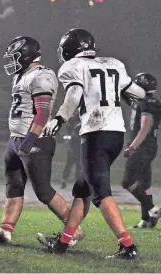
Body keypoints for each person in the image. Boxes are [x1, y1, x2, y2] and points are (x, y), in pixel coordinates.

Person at [37, 28, 146, 259]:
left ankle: (127, 246)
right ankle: (63, 244)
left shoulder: (72, 67)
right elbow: (136, 93)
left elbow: (74, 94)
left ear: (69, 49)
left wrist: (59, 118)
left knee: (100, 194)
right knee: (82, 189)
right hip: (116, 134)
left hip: (95, 133)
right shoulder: (114, 63)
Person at [0, 36, 84, 246]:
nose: (12, 61)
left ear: (26, 55)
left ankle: (74, 229)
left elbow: (42, 113)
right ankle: (4, 233)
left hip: (35, 141)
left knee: (43, 191)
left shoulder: (42, 75)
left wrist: (29, 141)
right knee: (14, 186)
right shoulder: (22, 75)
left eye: (15, 56)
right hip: (16, 140)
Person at [121, 72, 161, 228]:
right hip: (150, 146)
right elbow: (128, 98)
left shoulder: (147, 104)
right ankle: (147, 220)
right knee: (144, 184)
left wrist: (132, 147)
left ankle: (152, 210)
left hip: (142, 147)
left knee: (127, 182)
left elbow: (144, 128)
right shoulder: (150, 102)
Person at [59, 112, 81, 189]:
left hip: (78, 146)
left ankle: (74, 182)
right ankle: (64, 180)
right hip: (74, 146)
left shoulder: (79, 120)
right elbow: (68, 127)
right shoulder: (74, 120)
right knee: (70, 165)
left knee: (76, 166)